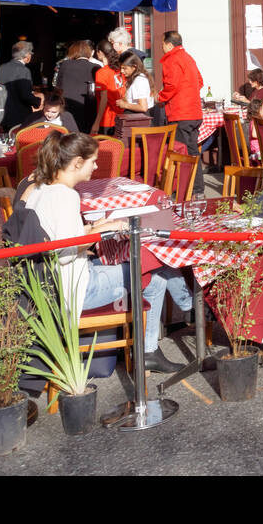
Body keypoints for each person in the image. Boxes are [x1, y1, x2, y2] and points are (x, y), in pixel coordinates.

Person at [20, 132, 193, 373]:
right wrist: (104, 231)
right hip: (75, 287)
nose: (97, 166)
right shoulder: (66, 196)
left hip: (49, 283)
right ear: (77, 163)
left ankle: (183, 306)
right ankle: (149, 350)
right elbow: (68, 250)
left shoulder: (40, 189)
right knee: (154, 278)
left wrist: (94, 227)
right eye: (93, 161)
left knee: (139, 263)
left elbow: (57, 238)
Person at [158, 31, 205, 193]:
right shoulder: (188, 58)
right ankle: (196, 189)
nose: (161, 47)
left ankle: (185, 190)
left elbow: (171, 86)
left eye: (162, 44)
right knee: (192, 152)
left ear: (169, 45)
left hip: (180, 113)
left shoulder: (172, 59)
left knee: (182, 153)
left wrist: (160, 98)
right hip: (194, 112)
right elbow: (199, 82)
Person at [54, 40, 96, 133]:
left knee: (69, 135)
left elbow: (58, 86)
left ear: (72, 52)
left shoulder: (65, 65)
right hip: (88, 107)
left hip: (68, 106)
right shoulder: (95, 67)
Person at [0, 40, 39, 134]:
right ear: (27, 55)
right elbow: (25, 95)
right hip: (20, 117)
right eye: (30, 54)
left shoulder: (1, 68)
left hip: (4, 116)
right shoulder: (23, 70)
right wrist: (36, 101)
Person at [90, 40, 124, 135]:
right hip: (121, 115)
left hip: (107, 118)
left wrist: (96, 122)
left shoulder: (101, 72)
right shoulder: (120, 69)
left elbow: (103, 99)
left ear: (100, 52)